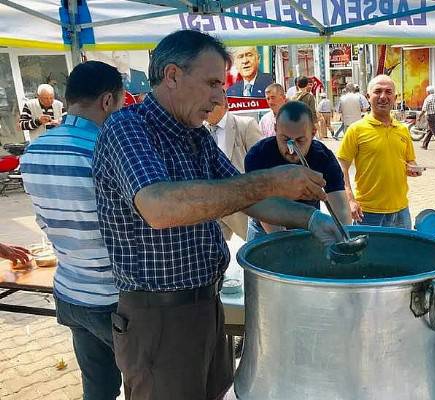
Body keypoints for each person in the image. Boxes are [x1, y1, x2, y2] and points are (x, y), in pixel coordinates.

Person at [92, 30, 340, 400]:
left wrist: (311, 220)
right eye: (211, 83)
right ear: (173, 75)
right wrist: (269, 180)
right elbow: (160, 207)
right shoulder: (127, 128)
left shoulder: (196, 136)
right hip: (159, 317)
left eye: (221, 85)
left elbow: (244, 198)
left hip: (207, 305)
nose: (219, 97)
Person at [21, 61, 124, 400]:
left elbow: (44, 221)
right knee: (143, 384)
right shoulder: (106, 151)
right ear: (108, 101)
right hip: (113, 297)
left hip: (70, 292)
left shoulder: (33, 151)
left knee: (97, 388)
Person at [245, 101, 350, 240]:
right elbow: (263, 208)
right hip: (264, 227)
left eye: (300, 141)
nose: (291, 149)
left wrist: (343, 238)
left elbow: (341, 208)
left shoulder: (323, 157)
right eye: (285, 140)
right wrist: (285, 246)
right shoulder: (258, 155)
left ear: (313, 132)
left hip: (309, 226)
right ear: (275, 129)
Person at [337, 75, 422, 229]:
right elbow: (341, 168)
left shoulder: (402, 130)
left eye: (388, 92)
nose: (383, 96)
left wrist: (412, 168)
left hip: (401, 212)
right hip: (368, 213)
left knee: (402, 253)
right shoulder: (356, 130)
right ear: (368, 97)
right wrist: (350, 200)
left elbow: (410, 160)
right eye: (378, 91)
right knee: (370, 253)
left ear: (395, 98)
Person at [204, 103, 263, 239]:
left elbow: (260, 166)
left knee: (255, 248)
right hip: (213, 205)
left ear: (224, 104)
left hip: (243, 203)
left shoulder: (245, 125)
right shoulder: (201, 131)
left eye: (211, 103)